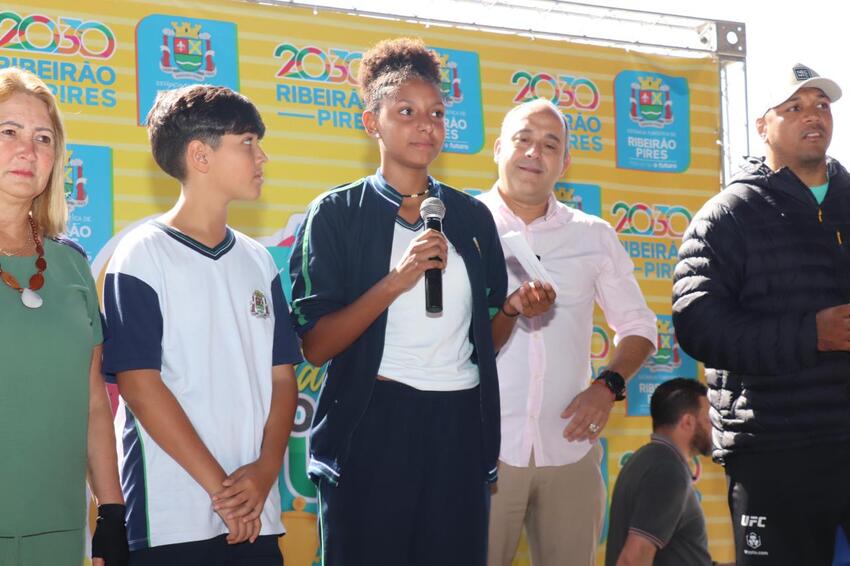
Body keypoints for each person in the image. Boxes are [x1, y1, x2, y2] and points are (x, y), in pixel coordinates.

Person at [288, 37, 553, 566]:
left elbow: (485, 342)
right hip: (375, 424)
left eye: (435, 113)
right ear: (372, 123)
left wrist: (510, 311)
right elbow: (317, 346)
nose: (425, 125)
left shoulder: (472, 218)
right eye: (406, 112)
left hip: (458, 425)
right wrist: (398, 279)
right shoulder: (337, 213)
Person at [102, 85, 301, 565]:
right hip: (172, 520)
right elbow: (140, 384)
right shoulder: (140, 253)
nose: (263, 156)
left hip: (258, 516)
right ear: (200, 156)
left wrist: (265, 470)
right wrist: (223, 490)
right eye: (248, 142)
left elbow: (282, 378)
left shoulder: (259, 261)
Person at [673, 62, 850, 565]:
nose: (811, 116)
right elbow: (699, 325)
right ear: (762, 126)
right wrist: (809, 334)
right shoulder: (727, 215)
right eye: (793, 108)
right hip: (775, 453)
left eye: (820, 105)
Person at [478, 98, 657, 566]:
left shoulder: (593, 235)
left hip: (571, 449)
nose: (534, 153)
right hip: (480, 449)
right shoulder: (464, 225)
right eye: (523, 140)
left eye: (550, 144)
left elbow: (639, 326)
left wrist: (608, 385)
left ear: (565, 162)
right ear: (498, 148)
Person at [0, 67, 127, 565]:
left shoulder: (72, 264)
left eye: (43, 138)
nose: (27, 150)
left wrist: (112, 515)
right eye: (8, 131)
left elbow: (94, 402)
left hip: (58, 531)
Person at [605, 378, 713, 566]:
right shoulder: (667, 469)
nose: (715, 428)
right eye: (708, 420)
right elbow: (633, 559)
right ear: (687, 421)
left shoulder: (651, 459)